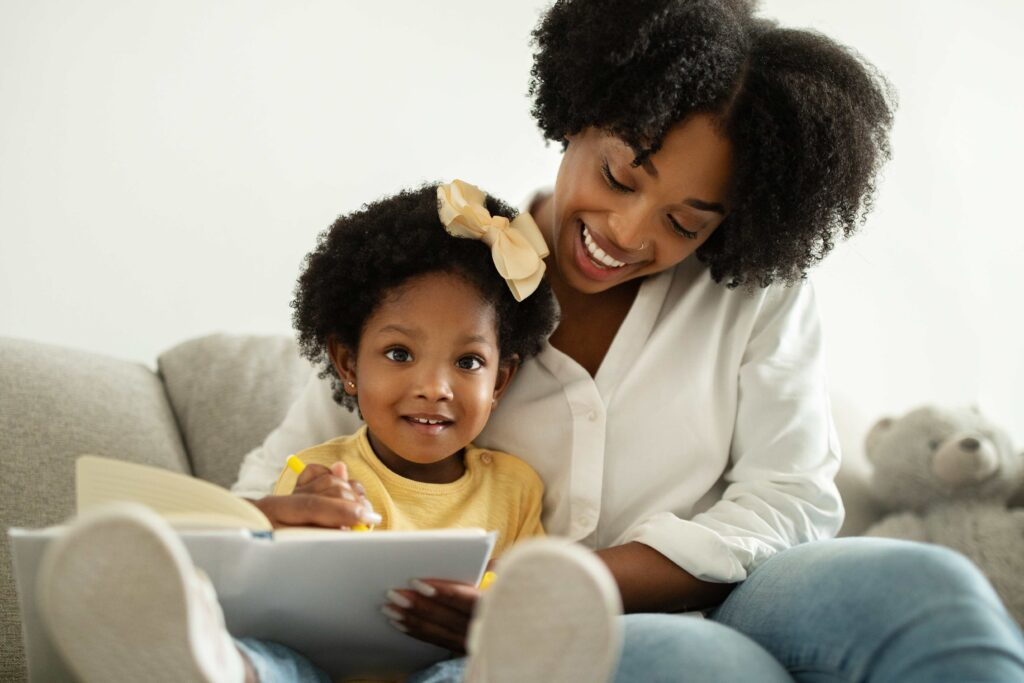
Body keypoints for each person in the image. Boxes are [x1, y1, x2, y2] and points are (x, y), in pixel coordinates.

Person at [233, 1, 1024, 681]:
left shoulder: (754, 295)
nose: (626, 232)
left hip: (734, 594)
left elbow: (789, 497)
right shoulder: (445, 277)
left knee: (932, 586)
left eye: (686, 221)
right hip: (508, 646)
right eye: (618, 176)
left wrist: (556, 581)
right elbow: (275, 483)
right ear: (580, 114)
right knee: (698, 665)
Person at [37, 183, 625, 683]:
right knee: (276, 662)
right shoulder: (317, 473)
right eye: (399, 353)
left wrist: (497, 613)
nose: (434, 387)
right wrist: (281, 515)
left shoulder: (517, 490)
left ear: (501, 380)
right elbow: (260, 571)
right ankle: (203, 659)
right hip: (320, 670)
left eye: (468, 363)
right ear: (347, 365)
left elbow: (520, 602)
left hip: (447, 667)